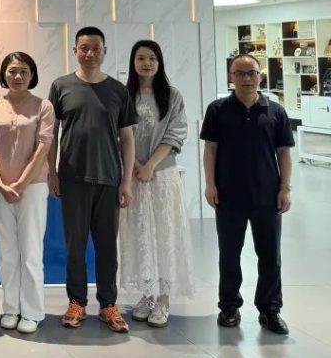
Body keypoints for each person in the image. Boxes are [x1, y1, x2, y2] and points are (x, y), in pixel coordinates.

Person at [48, 26, 136, 333]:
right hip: (72, 178)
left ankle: (108, 304)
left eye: (96, 48)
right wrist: (52, 172)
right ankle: (77, 303)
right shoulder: (61, 86)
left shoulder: (118, 90)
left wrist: (126, 182)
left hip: (109, 178)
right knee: (75, 245)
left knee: (107, 246)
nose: (90, 53)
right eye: (84, 48)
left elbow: (127, 138)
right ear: (75, 50)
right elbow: (51, 134)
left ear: (104, 51)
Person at [202, 53, 293, 335]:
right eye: (239, 73)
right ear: (230, 77)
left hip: (267, 195)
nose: (246, 79)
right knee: (229, 253)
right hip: (228, 195)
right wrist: (210, 184)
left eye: (251, 73)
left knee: (270, 255)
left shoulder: (275, 111)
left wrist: (285, 188)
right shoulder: (218, 109)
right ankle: (229, 306)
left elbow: (284, 153)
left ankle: (270, 309)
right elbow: (210, 150)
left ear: (260, 76)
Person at [118, 41, 192, 328]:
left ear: (159, 62)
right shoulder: (123, 95)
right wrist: (137, 166)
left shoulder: (172, 96)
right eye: (141, 58)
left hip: (163, 177)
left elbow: (176, 134)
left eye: (152, 58)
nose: (146, 63)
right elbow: (118, 135)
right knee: (139, 235)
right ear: (133, 62)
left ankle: (163, 299)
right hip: (133, 177)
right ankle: (147, 294)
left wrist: (150, 165)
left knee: (164, 235)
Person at [0, 52, 54, 334]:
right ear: (4, 74)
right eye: (12, 71)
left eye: (24, 71)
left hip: (32, 187)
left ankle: (32, 312)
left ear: (32, 75)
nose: (17, 76)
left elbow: (43, 146)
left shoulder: (43, 106)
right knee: (7, 252)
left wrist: (22, 183)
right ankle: (11, 307)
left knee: (31, 251)